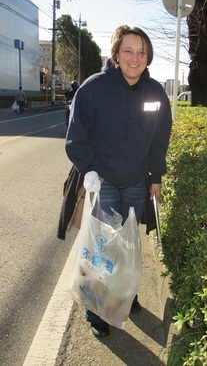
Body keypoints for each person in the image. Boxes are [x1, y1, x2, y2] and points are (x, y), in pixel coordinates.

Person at [65, 25, 172, 338]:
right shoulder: (93, 89)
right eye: (128, 51)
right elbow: (76, 138)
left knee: (127, 244)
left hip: (137, 181)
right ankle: (96, 310)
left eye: (141, 52)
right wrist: (89, 171)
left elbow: (160, 139)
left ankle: (125, 295)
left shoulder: (155, 93)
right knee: (103, 247)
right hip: (105, 181)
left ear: (147, 56)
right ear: (115, 54)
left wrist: (156, 177)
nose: (135, 58)